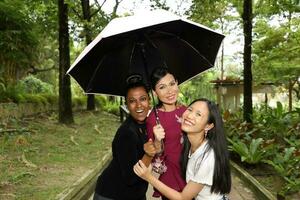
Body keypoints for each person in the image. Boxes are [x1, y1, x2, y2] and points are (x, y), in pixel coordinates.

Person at [134, 98, 232, 200]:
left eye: (198, 114)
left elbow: (183, 198)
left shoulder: (208, 157)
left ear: (208, 126)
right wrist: (157, 141)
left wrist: (148, 177)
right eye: (190, 109)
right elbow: (165, 155)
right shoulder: (190, 144)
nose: (189, 116)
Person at [93, 75, 156, 200]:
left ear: (149, 101)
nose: (139, 105)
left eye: (143, 99)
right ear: (127, 106)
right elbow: (131, 178)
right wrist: (148, 155)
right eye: (132, 101)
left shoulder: (147, 125)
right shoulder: (126, 133)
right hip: (111, 194)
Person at [146, 67, 186, 199]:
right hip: (171, 178)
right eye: (162, 87)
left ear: (177, 83)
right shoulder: (153, 118)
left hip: (192, 172)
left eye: (172, 84)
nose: (170, 91)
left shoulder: (187, 111)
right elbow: (156, 153)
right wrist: (157, 140)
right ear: (155, 92)